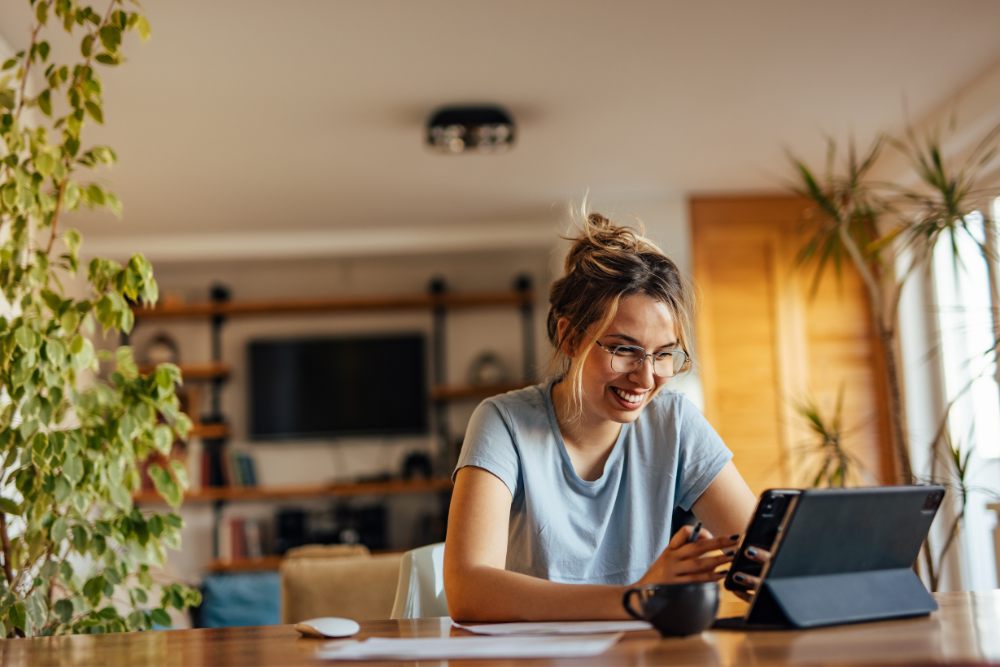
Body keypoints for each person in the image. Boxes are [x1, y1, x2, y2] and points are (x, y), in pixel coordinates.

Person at [443, 209, 760, 621]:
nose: (646, 377)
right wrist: (636, 599)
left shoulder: (674, 421)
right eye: (624, 349)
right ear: (572, 338)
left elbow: (758, 554)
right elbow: (468, 590)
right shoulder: (503, 422)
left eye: (664, 354)